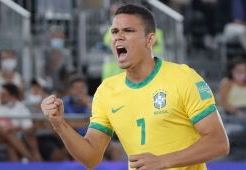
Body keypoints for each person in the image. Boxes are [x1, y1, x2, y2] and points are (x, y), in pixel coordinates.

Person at [41, 4, 229, 170]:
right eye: (114, 32)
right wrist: (59, 124)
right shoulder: (107, 90)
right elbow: (91, 158)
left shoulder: (183, 78)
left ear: (150, 40)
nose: (118, 37)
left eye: (128, 30)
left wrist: (163, 161)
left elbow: (219, 143)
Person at [0, 83, 41, 161]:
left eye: (4, 94)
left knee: (11, 145)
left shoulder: (21, 107)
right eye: (0, 94)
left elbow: (29, 127)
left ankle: (32, 156)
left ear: (12, 96)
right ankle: (31, 159)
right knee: (7, 133)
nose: (0, 96)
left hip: (15, 136)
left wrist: (17, 128)